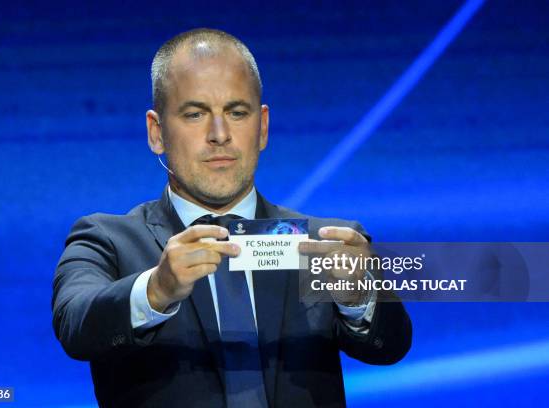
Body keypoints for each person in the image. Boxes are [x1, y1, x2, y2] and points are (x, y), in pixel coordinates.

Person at [52, 28, 411, 408]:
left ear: (263, 127)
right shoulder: (107, 239)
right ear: (157, 132)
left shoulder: (325, 243)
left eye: (237, 113)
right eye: (195, 114)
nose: (219, 134)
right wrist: (156, 290)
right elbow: (76, 325)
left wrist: (360, 299)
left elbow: (389, 347)